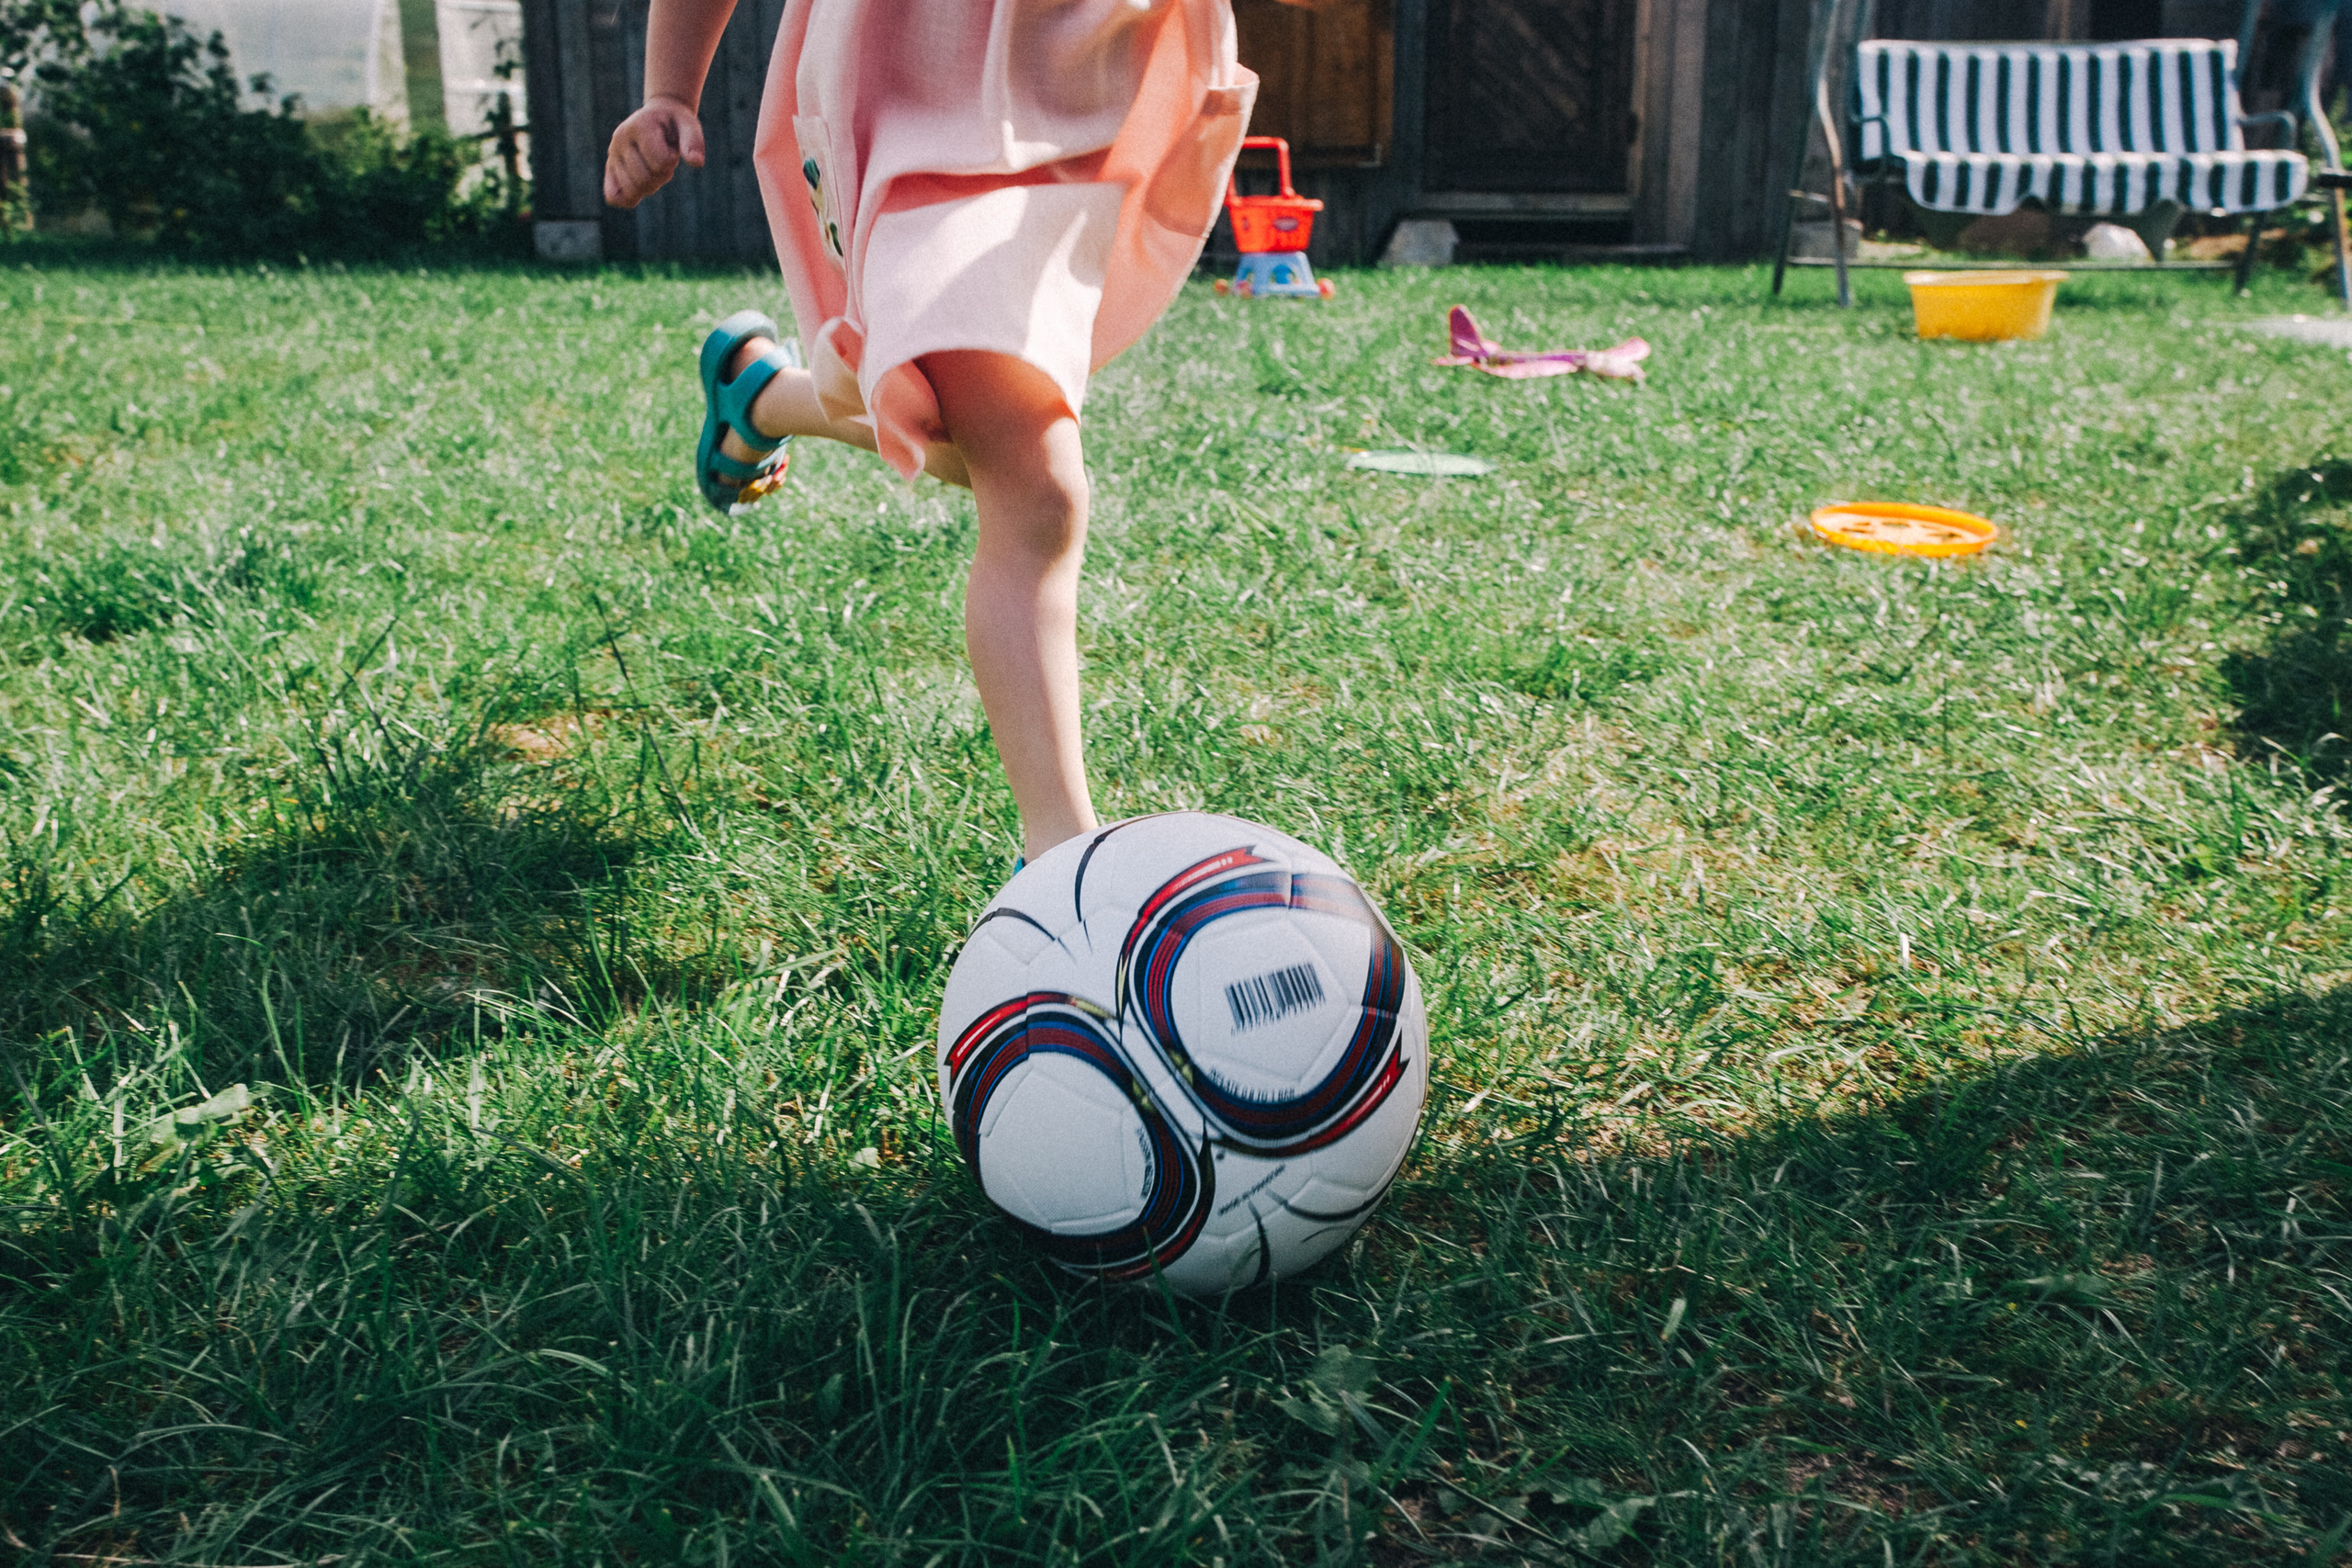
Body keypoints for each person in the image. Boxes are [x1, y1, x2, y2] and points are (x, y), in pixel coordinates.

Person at [603, 0, 1260, 864]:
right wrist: (668, 90)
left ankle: (762, 394)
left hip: (1084, 93)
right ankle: (1063, 862)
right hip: (918, 100)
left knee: (965, 444)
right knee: (1035, 486)